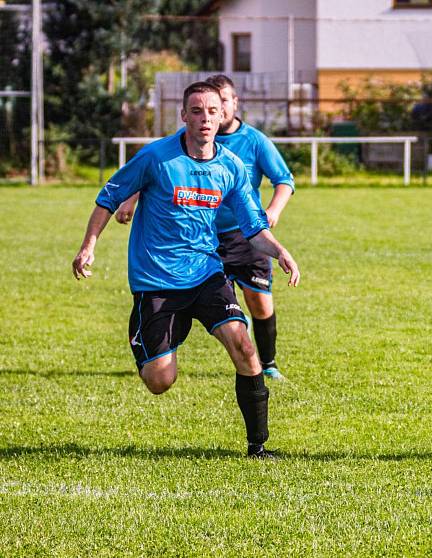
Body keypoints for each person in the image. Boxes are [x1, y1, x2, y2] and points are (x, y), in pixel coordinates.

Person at [72, 81, 300, 459]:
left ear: (222, 113)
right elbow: (109, 196)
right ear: (184, 116)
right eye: (196, 111)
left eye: (212, 111)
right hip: (157, 280)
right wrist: (88, 246)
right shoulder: (156, 157)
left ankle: (257, 446)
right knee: (160, 381)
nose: (205, 119)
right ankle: (149, 336)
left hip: (205, 273)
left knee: (244, 346)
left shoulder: (230, 166)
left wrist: (280, 252)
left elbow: (253, 227)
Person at [116, 74, 295, 381]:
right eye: (204, 108)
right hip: (202, 241)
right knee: (212, 305)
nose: (213, 112)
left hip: (245, 234)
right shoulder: (187, 139)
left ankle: (268, 363)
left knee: (259, 302)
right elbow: (153, 171)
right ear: (188, 113)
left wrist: (272, 213)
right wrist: (130, 200)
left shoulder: (252, 142)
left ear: (233, 104)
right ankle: (184, 330)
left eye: (221, 103)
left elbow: (285, 180)